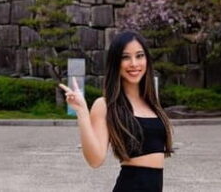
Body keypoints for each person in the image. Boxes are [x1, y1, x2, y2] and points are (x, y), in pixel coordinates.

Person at [59, 31, 173, 191]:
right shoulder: (106, 105)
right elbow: (95, 159)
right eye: (125, 57)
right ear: (116, 63)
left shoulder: (152, 103)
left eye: (139, 56)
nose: (134, 63)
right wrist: (82, 113)